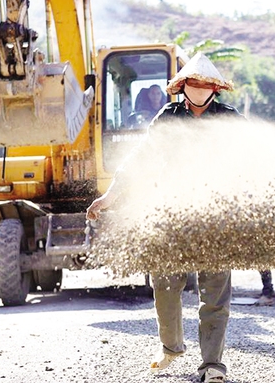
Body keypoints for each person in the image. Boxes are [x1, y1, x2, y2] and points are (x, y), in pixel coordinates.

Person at [86, 52, 238, 383]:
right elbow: (140, 158)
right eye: (193, 84)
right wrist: (110, 196)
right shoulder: (168, 117)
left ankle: (213, 365)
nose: (199, 89)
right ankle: (171, 347)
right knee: (165, 283)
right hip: (172, 210)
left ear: (215, 89)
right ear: (183, 87)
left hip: (217, 214)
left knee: (215, 293)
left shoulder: (229, 118)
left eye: (205, 84)